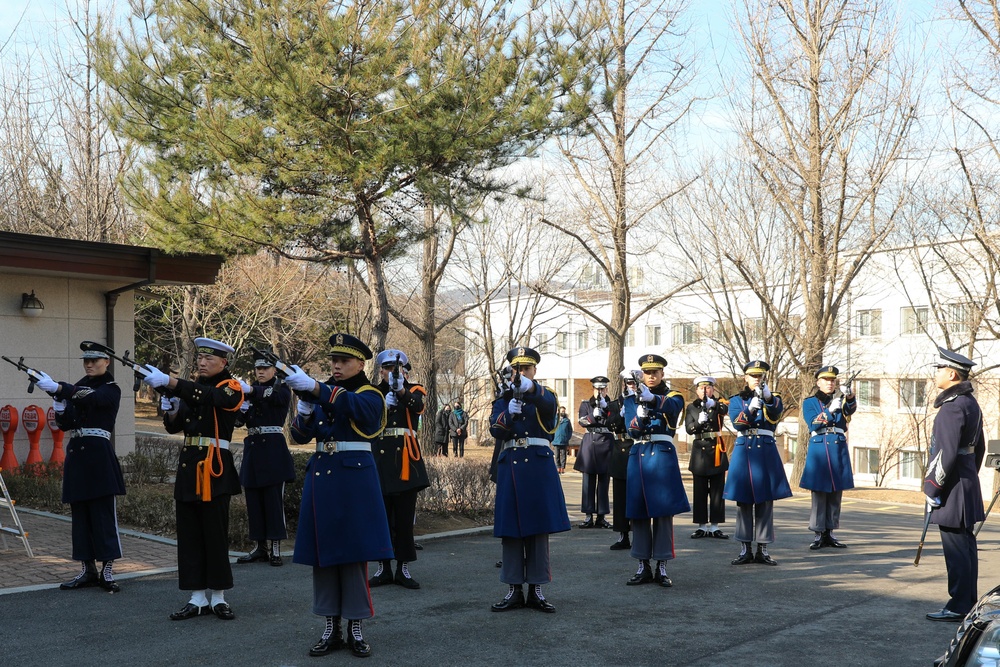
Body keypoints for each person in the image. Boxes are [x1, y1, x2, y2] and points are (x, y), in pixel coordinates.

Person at [283, 333, 392, 657]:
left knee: (354, 556)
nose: (337, 365)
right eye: (334, 361)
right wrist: (303, 410)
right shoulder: (324, 392)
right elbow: (301, 436)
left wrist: (317, 390)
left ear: (360, 363)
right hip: (324, 478)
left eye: (344, 361)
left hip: (354, 481)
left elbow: (361, 410)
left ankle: (355, 626)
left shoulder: (369, 393)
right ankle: (330, 626)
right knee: (324, 556)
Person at [142, 337, 243, 621]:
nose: (202, 362)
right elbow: (175, 426)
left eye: (209, 359)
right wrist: (171, 406)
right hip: (189, 469)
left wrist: (174, 384)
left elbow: (214, 399)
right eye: (200, 358)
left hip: (214, 470)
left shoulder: (230, 387)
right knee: (190, 535)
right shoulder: (192, 390)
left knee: (214, 533)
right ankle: (196, 597)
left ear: (223, 363)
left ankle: (219, 596)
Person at [35, 341, 125, 593]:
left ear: (107, 361)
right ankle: (87, 569)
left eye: (95, 360)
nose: (89, 364)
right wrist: (59, 403)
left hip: (99, 456)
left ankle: (107, 569)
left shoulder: (110, 388)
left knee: (103, 515)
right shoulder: (79, 386)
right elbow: (66, 424)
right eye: (86, 360)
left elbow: (93, 399)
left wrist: (61, 388)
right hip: (78, 455)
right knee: (81, 516)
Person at [490, 346, 570, 613]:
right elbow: (495, 428)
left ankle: (536, 589)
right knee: (511, 531)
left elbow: (549, 407)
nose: (521, 373)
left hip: (537, 465)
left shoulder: (544, 394)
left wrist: (529, 388)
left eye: (526, 369)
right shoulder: (502, 400)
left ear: (534, 370)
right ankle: (513, 589)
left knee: (537, 530)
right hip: (511, 464)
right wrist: (508, 415)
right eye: (517, 369)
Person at [924, 347, 986, 622]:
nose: (935, 374)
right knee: (965, 545)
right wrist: (969, 475)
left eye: (939, 369)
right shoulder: (970, 403)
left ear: (951, 373)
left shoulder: (952, 407)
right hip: (965, 481)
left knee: (957, 548)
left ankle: (959, 605)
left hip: (951, 487)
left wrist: (931, 488)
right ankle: (967, 602)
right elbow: (979, 448)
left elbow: (944, 453)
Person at [621, 355, 689, 588]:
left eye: (655, 372)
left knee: (662, 513)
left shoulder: (672, 395)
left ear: (662, 374)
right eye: (647, 372)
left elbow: (672, 408)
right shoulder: (630, 399)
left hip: (661, 453)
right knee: (639, 513)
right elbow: (631, 431)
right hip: (639, 453)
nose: (651, 376)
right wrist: (639, 416)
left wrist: (651, 400)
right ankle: (642, 565)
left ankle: (661, 565)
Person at [369, 349, 429, 590]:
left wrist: (401, 390)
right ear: (381, 371)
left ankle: (403, 568)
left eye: (397, 369)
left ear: (404, 370)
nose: (392, 372)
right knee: (381, 517)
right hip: (381, 459)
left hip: (406, 459)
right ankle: (383, 568)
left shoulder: (413, 389)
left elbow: (418, 407)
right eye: (387, 368)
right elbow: (365, 420)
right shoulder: (372, 393)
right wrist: (383, 404)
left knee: (404, 519)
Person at [723, 360, 791, 567]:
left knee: (765, 502)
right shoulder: (736, 400)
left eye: (760, 376)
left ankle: (763, 548)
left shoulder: (774, 398)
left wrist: (768, 398)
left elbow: (776, 414)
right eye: (753, 375)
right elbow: (737, 423)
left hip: (766, 450)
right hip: (745, 449)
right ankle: (745, 548)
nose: (756, 379)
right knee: (744, 503)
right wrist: (750, 410)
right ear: (745, 377)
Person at [234, 348, 295, 566]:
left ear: (274, 370)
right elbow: (239, 423)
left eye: (265, 368)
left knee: (272, 500)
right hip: (253, 449)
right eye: (258, 368)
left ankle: (276, 546)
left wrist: (250, 392)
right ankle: (260, 546)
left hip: (272, 451)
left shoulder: (282, 388)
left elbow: (273, 396)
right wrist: (240, 408)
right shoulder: (251, 392)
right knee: (254, 500)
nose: (260, 372)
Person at [800, 366, 856, 551]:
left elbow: (851, 410)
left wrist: (848, 397)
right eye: (826, 380)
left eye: (833, 380)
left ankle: (830, 532)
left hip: (838, 445)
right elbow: (812, 422)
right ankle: (818, 533)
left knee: (835, 493)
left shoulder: (840, 400)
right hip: (820, 447)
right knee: (819, 492)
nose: (830, 383)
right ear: (818, 382)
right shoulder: (810, 402)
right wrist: (830, 411)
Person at [685, 376, 730, 539]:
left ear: (713, 389)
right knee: (700, 491)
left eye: (709, 388)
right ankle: (702, 526)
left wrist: (713, 405)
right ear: (697, 390)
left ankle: (715, 526)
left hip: (716, 449)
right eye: (702, 388)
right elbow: (689, 429)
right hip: (700, 451)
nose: (705, 390)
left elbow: (725, 410)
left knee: (717, 492)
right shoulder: (691, 407)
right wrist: (698, 423)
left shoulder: (719, 404)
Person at [575, 376, 614, 528]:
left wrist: (605, 411)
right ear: (593, 389)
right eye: (597, 389)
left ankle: (602, 516)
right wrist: (593, 416)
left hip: (606, 441)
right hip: (590, 442)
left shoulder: (611, 405)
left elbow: (614, 422)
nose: (600, 391)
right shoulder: (586, 404)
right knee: (588, 482)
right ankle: (588, 515)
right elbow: (581, 421)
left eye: (602, 389)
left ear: (606, 389)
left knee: (604, 482)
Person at [606, 370, 637, 551]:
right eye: (628, 383)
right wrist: (622, 413)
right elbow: (610, 424)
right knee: (620, 496)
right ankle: (623, 534)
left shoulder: (644, 401)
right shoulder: (616, 404)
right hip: (620, 448)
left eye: (634, 383)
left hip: (636, 446)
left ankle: (640, 534)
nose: (631, 386)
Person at [552, 406, 572, 474]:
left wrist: (567, 437)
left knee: (563, 455)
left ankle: (562, 468)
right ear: (558, 412)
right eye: (562, 411)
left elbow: (570, 430)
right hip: (556, 440)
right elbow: (551, 429)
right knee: (557, 455)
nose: (563, 412)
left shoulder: (567, 421)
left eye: (564, 411)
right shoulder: (555, 419)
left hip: (564, 440)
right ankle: (558, 467)